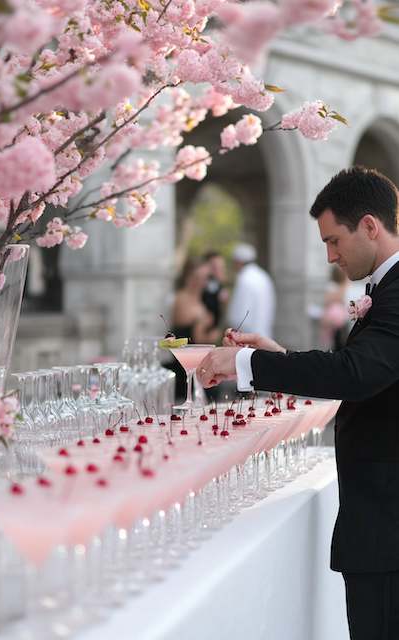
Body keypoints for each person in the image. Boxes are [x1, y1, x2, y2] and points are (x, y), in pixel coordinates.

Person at [197, 166, 399, 640]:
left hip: (388, 527)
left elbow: (357, 373)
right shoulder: (385, 290)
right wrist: (279, 358)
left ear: (369, 226)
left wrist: (246, 363)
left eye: (334, 240)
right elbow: (364, 366)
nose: (330, 256)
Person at [170, 258, 221, 398]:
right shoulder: (182, 299)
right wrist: (206, 328)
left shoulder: (202, 300)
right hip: (186, 368)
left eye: (206, 278)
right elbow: (197, 338)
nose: (203, 282)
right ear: (189, 277)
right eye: (199, 277)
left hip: (201, 366)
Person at [227, 242, 276, 338]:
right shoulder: (263, 275)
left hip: (248, 337)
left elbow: (239, 316)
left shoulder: (244, 278)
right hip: (264, 334)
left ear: (238, 261)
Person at [320, 265, 349, 350]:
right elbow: (332, 298)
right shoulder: (332, 286)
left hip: (340, 318)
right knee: (334, 339)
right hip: (334, 317)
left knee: (339, 339)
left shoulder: (340, 286)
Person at [201, 251, 229, 330]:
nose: (219, 270)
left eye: (221, 267)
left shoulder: (220, 285)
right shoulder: (202, 286)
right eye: (214, 267)